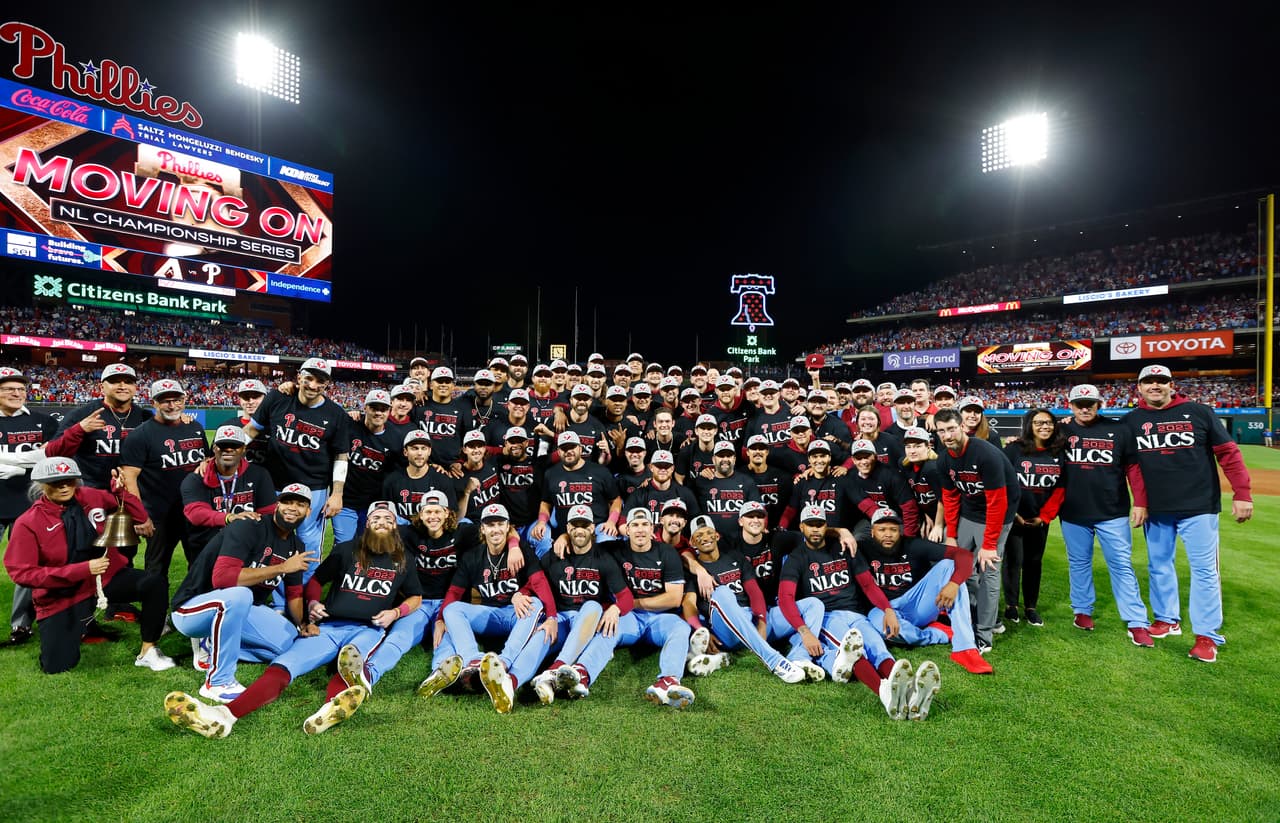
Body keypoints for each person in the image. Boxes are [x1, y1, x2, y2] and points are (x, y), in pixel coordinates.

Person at [164, 501, 424, 738]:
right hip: (327, 627)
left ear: (395, 526)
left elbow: (416, 597)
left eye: (388, 519)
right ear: (367, 524)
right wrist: (313, 603)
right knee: (283, 664)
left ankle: (330, 708)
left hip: (368, 628)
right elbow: (317, 581)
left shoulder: (404, 560)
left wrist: (396, 613)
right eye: (376, 518)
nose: (381, 522)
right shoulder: (347, 550)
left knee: (352, 665)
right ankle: (225, 714)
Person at [1126, 365, 1252, 663]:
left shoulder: (1199, 412)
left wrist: (1242, 493)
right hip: (1157, 508)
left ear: (1172, 385)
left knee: (1205, 570)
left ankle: (1206, 634)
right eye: (1148, 381)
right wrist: (1140, 502)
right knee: (1159, 566)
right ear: (1139, 387)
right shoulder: (1132, 420)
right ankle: (1167, 619)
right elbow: (1133, 467)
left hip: (1199, 506)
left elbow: (1228, 454)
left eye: (1161, 381)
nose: (1155, 386)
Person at [4, 457, 174, 674]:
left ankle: (148, 650)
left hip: (105, 580)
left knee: (154, 583)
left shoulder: (92, 497)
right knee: (56, 666)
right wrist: (83, 569)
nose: (64, 487)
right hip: (63, 595)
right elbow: (22, 573)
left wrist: (121, 493)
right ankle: (83, 624)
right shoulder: (28, 522)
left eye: (69, 480)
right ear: (41, 485)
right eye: (56, 482)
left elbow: (139, 517)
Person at [779, 505, 941, 720]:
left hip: (857, 615)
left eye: (820, 524)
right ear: (802, 527)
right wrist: (805, 631)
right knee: (853, 653)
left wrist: (887, 609)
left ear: (827, 526)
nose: (815, 529)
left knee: (878, 648)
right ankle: (885, 694)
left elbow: (868, 585)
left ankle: (911, 696)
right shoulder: (797, 558)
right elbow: (786, 598)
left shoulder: (844, 548)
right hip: (828, 618)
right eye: (811, 525)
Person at [170, 484, 316, 702]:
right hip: (192, 609)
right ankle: (217, 682)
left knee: (288, 644)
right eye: (287, 502)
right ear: (277, 505)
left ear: (308, 511)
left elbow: (294, 593)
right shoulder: (249, 526)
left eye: (300, 504)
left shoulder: (297, 546)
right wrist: (282, 568)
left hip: (240, 609)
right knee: (241, 594)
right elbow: (223, 578)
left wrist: (303, 623)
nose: (292, 508)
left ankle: (212, 643)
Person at [413, 503, 545, 714]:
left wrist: (548, 613)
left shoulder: (520, 550)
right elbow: (454, 592)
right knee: (451, 611)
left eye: (500, 524)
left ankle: (504, 667)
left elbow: (539, 583)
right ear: (482, 528)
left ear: (508, 527)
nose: (495, 529)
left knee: (537, 612)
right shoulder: (473, 556)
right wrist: (440, 619)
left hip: (515, 615)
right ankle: (468, 662)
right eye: (490, 525)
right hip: (490, 614)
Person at [1059, 383, 1152, 644]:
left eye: (1090, 404)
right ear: (1071, 406)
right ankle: (1082, 610)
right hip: (1073, 511)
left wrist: (1140, 502)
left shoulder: (1119, 429)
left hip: (1113, 511)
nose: (1084, 408)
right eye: (1079, 404)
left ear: (1099, 404)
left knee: (1121, 564)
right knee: (1078, 563)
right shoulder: (1061, 430)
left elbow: (1133, 468)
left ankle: (1136, 621)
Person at [680, 513, 820, 683]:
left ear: (717, 536)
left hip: (752, 621)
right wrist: (701, 630)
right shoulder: (692, 571)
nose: (705, 538)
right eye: (699, 535)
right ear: (692, 542)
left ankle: (800, 658)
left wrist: (762, 621)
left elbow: (754, 591)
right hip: (726, 632)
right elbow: (688, 604)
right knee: (722, 592)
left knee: (814, 604)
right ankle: (773, 660)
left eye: (709, 533)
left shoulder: (734, 556)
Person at [243, 358, 351, 578]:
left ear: (327, 384)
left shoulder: (336, 414)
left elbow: (341, 455)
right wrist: (216, 456)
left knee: (307, 543)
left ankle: (302, 593)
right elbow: (251, 430)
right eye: (309, 378)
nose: (313, 385)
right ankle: (264, 589)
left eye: (320, 381)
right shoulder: (277, 398)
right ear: (299, 377)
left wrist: (337, 493)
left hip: (313, 488)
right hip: (274, 483)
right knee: (268, 538)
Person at [857, 509, 991, 675]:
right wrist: (841, 532)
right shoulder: (862, 548)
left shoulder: (913, 544)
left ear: (900, 531)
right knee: (880, 628)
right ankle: (939, 633)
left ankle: (965, 648)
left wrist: (954, 583)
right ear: (872, 532)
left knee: (949, 565)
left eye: (893, 529)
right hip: (882, 607)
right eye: (882, 529)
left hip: (915, 602)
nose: (888, 534)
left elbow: (964, 555)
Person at [528, 505, 634, 703]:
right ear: (568, 528)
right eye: (575, 526)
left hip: (586, 622)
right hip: (560, 620)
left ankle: (554, 670)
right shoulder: (555, 554)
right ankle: (513, 679)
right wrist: (519, 595)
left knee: (593, 606)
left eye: (584, 526)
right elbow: (534, 583)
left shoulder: (603, 558)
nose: (579, 530)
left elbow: (626, 598)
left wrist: (616, 608)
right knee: (540, 638)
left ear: (592, 528)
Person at [934, 408, 1017, 653]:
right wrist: (951, 534)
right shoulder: (944, 459)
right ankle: (989, 617)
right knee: (962, 567)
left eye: (951, 428)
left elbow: (997, 502)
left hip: (997, 514)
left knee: (989, 570)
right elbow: (950, 498)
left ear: (962, 426)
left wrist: (989, 544)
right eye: (941, 431)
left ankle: (984, 634)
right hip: (969, 513)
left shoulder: (985, 454)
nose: (947, 435)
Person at [118, 379, 209, 582]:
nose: (172, 405)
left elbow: (207, 459)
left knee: (200, 565)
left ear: (184, 400)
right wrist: (140, 515)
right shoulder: (140, 435)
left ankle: (195, 602)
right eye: (165, 401)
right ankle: (155, 604)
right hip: (160, 515)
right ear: (154, 403)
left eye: (176, 400)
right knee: (156, 570)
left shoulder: (194, 427)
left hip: (194, 511)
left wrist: (206, 462)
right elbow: (129, 478)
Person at [604, 508, 697, 707]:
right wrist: (564, 537)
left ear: (652, 528)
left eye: (645, 524)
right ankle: (581, 672)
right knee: (605, 627)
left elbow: (674, 599)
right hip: (628, 618)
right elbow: (583, 544)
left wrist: (629, 603)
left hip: (658, 618)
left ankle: (668, 682)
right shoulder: (613, 549)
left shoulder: (667, 552)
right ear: (627, 529)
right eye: (635, 525)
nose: (640, 529)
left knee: (681, 627)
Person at [0, 366, 59, 645]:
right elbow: (36, 457)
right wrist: (29, 461)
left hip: (29, 505)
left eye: (20, 389)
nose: (16, 393)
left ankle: (21, 625)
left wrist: (11, 464)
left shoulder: (44, 421)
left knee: (28, 566)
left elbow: (49, 456)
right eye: (8, 389)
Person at [1001, 408, 1066, 629]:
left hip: (1039, 520)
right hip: (1014, 517)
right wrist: (1012, 513)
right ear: (1029, 425)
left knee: (1034, 563)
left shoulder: (1059, 452)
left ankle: (1030, 607)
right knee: (1012, 561)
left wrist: (1045, 517)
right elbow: (1002, 482)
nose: (1044, 426)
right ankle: (1011, 605)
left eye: (1048, 422)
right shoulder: (1014, 449)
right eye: (1038, 422)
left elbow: (1061, 489)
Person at [180, 425, 278, 563]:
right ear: (214, 448)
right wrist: (229, 518)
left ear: (244, 449)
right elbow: (196, 513)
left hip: (245, 545)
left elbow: (268, 513)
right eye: (223, 445)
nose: (228, 449)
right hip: (206, 547)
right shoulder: (196, 478)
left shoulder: (259, 475)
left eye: (235, 445)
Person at [334, 389, 398, 543]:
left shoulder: (395, 438)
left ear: (389, 411)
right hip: (345, 501)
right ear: (365, 407)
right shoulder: (350, 424)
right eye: (374, 408)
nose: (378, 413)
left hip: (372, 504)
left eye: (383, 409)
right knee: (344, 545)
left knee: (368, 545)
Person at [899, 426, 944, 542]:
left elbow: (944, 500)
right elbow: (914, 496)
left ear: (928, 447)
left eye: (917, 446)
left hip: (947, 516)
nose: (912, 451)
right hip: (928, 514)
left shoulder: (932, 468)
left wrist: (938, 525)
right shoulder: (905, 465)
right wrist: (925, 515)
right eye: (908, 446)